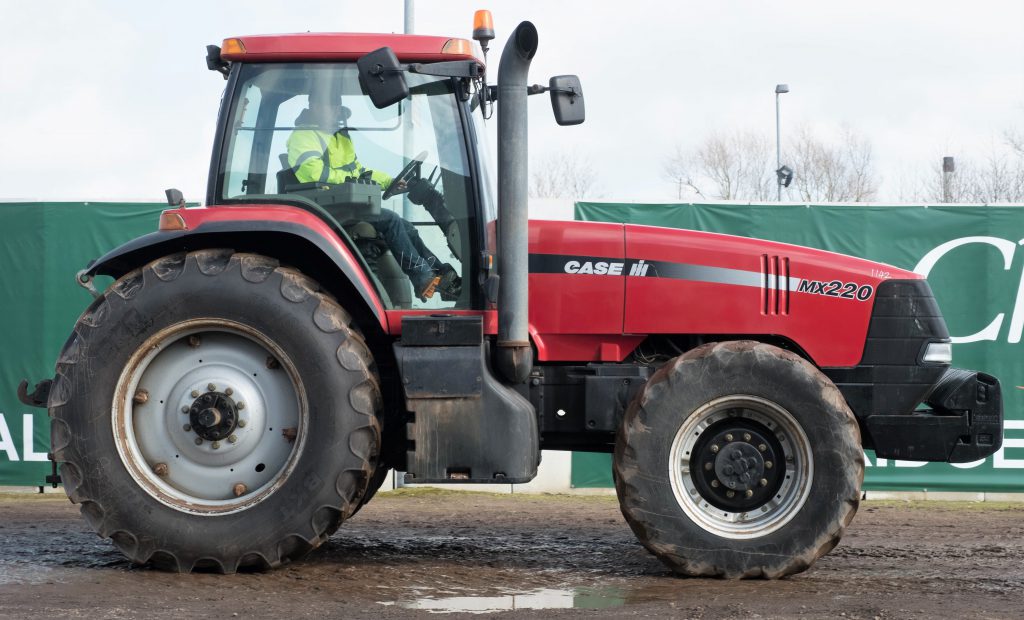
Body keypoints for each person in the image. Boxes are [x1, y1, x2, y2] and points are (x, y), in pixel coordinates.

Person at [286, 99, 460, 302]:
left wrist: (390, 181)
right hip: (324, 207)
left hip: (344, 204)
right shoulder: (304, 135)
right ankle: (422, 277)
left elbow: (359, 171)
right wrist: (350, 181)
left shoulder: (340, 138)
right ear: (315, 105)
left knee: (407, 227)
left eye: (337, 107)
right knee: (392, 220)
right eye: (330, 105)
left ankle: (441, 274)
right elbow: (311, 172)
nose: (335, 112)